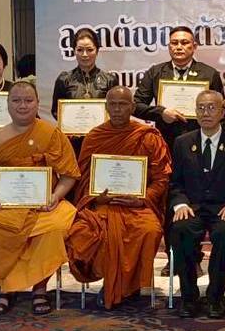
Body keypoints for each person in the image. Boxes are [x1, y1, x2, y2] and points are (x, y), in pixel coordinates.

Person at [0, 82, 80, 315]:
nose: (22, 105)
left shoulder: (51, 134)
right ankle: (4, 287)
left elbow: (69, 175)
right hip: (4, 205)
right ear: (8, 104)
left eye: (28, 100)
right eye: (16, 100)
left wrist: (55, 196)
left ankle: (40, 288)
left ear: (37, 104)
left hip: (44, 205)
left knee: (56, 226)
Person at [68, 86, 172, 309]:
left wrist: (142, 199)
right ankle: (117, 284)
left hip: (139, 205)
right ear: (106, 107)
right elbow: (83, 179)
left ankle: (125, 286)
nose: (117, 109)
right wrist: (96, 198)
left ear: (133, 108)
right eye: (112, 104)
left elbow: (161, 178)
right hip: (102, 205)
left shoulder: (147, 136)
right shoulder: (95, 136)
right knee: (87, 232)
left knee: (149, 230)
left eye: (123, 104)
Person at [169, 90, 225, 319]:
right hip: (193, 207)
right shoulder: (182, 142)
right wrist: (180, 204)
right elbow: (175, 183)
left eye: (211, 108)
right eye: (201, 108)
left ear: (222, 112)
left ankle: (215, 297)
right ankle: (189, 297)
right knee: (180, 229)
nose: (205, 112)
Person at [133, 25, 223, 150]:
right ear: (169, 46)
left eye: (184, 43)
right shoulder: (155, 72)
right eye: (174, 43)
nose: (179, 47)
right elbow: (135, 105)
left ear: (194, 46)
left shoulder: (209, 74)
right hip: (165, 141)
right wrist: (161, 113)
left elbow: (220, 111)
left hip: (200, 141)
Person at [51, 27, 119, 152]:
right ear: (74, 51)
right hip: (73, 144)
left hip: (101, 141)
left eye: (89, 50)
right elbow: (56, 110)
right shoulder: (64, 79)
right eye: (80, 50)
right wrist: (70, 126)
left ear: (97, 51)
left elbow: (115, 110)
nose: (85, 54)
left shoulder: (110, 80)